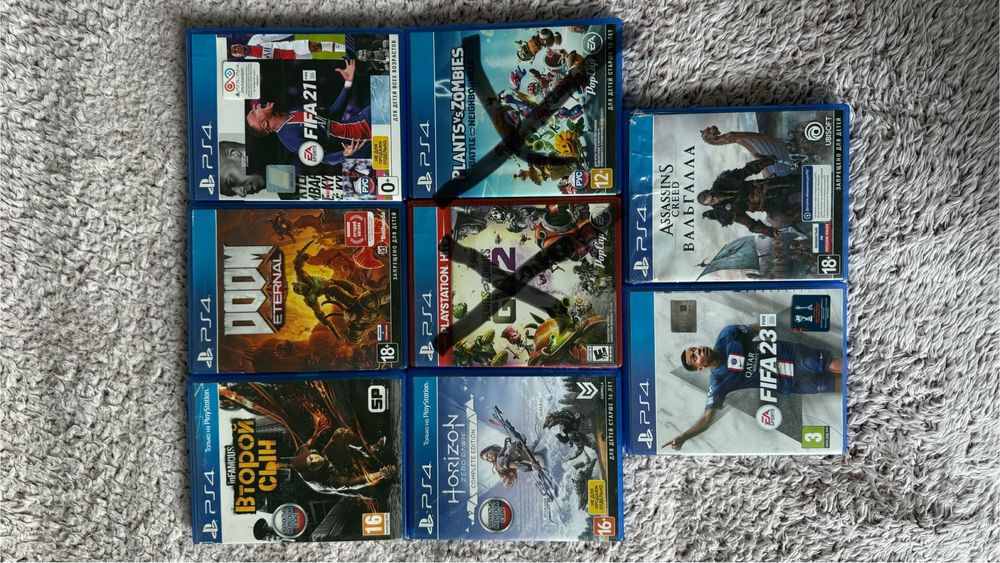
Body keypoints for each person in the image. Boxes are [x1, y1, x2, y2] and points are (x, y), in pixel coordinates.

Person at [665, 323, 843, 451]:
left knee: (831, 364)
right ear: (700, 368)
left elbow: (759, 327)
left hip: (791, 354)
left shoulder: (728, 335)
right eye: (694, 357)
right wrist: (684, 436)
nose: (698, 351)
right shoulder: (718, 383)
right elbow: (706, 419)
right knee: (836, 385)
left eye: (694, 349)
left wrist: (789, 324)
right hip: (790, 383)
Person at [245, 60, 370, 167]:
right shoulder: (289, 138)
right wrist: (344, 154)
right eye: (254, 113)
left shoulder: (293, 111)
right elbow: (324, 158)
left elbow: (333, 114)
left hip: (363, 120)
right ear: (265, 124)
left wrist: (348, 83)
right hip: (364, 140)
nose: (255, 106)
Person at [230, 34, 345, 60]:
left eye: (236, 47)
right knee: (317, 59)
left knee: (315, 47)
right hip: (290, 61)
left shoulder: (254, 39)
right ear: (238, 56)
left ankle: (344, 48)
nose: (238, 49)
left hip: (289, 47)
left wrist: (291, 31)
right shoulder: (250, 62)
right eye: (236, 51)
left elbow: (274, 36)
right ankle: (343, 59)